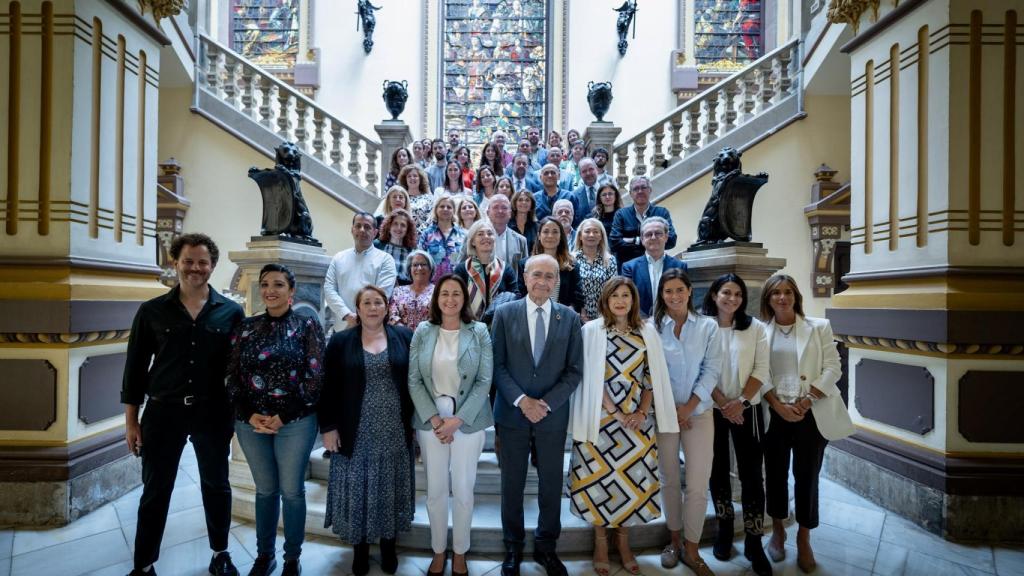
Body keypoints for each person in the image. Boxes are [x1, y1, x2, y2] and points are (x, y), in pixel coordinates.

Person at [121, 233, 245, 576]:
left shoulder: (232, 312)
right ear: (175, 262)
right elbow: (134, 371)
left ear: (212, 266)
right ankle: (143, 564)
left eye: (203, 262)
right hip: (163, 412)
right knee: (156, 490)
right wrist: (132, 422)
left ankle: (220, 554)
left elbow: (238, 371)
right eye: (188, 261)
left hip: (213, 411)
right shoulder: (151, 312)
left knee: (217, 485)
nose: (195, 268)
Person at [568, 277, 677, 576]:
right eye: (614, 295)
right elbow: (589, 376)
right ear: (605, 299)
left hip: (637, 422)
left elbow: (651, 376)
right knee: (599, 482)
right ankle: (601, 542)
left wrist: (641, 412)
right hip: (600, 419)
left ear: (633, 299)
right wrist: (614, 411)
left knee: (631, 482)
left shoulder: (646, 332)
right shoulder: (591, 331)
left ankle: (624, 542)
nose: (620, 300)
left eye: (625, 295)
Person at [226, 264, 325, 576]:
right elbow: (231, 376)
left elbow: (315, 378)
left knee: (292, 491)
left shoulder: (306, 324)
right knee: (265, 491)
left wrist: (283, 416)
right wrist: (248, 413)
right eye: (265, 284)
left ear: (291, 291)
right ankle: (264, 555)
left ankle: (291, 559)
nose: (271, 290)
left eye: (279, 284)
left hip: (294, 423)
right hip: (251, 424)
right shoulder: (245, 327)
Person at [492, 254, 584, 576]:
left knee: (549, 485)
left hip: (552, 417)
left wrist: (544, 404)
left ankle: (546, 547)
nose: (543, 282)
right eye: (537, 275)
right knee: (512, 484)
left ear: (557, 281)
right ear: (526, 277)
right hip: (512, 415)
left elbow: (574, 371)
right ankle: (513, 547)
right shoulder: (504, 314)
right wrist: (522, 401)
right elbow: (497, 365)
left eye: (550, 276)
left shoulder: (570, 319)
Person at [760, 275, 854, 574]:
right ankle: (777, 530)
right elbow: (756, 373)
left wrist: (807, 400)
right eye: (776, 293)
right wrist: (778, 405)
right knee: (774, 474)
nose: (782, 298)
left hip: (811, 414)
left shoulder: (818, 327)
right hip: (775, 414)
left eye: (788, 292)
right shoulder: (760, 332)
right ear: (768, 298)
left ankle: (803, 537)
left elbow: (833, 367)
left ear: (796, 296)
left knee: (807, 475)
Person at [320, 286, 416, 576]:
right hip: (354, 429)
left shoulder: (404, 337)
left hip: (394, 429)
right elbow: (328, 388)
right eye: (367, 303)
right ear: (357, 308)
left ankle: (388, 545)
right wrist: (328, 427)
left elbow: (416, 381)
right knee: (358, 488)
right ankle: (359, 549)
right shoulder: (340, 341)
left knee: (389, 487)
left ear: (387, 307)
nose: (373, 308)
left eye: (378, 302)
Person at [408, 274, 494, 576]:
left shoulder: (480, 331)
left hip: (467, 419)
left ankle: (460, 551)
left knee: (463, 488)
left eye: (456, 293)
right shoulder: (423, 330)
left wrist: (456, 421)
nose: (450, 299)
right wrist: (434, 419)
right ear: (437, 297)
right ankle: (438, 550)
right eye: (444, 293)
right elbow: (414, 379)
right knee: (435, 489)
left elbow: (485, 380)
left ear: (464, 298)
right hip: (430, 417)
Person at [702, 274, 773, 576]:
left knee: (752, 474)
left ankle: (754, 540)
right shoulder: (703, 327)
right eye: (726, 293)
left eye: (738, 295)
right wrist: (722, 403)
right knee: (716, 470)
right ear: (715, 294)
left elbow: (761, 369)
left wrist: (740, 402)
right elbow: (700, 368)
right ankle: (725, 528)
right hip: (713, 408)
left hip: (748, 409)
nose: (732, 299)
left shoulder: (754, 327)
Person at [652, 269, 722, 576]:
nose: (674, 296)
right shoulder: (652, 327)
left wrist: (689, 407)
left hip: (699, 415)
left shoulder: (708, 326)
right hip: (665, 415)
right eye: (668, 291)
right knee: (668, 480)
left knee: (696, 483)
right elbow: (651, 372)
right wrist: (672, 411)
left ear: (690, 291)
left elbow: (712, 370)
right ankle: (674, 540)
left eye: (679, 289)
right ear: (661, 294)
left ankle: (692, 549)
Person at [324, 212, 398, 332]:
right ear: (352, 230)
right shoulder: (339, 258)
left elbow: (382, 295)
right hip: (342, 327)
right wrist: (347, 315)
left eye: (367, 227)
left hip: (370, 330)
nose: (362, 230)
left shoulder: (385, 260)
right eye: (358, 226)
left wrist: (359, 318)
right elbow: (329, 289)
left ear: (375, 232)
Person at [621, 217, 687, 317]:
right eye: (648, 234)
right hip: (640, 324)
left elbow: (684, 297)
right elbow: (627, 298)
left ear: (666, 237)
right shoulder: (629, 267)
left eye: (658, 233)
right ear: (642, 239)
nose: (653, 237)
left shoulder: (679, 266)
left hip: (672, 323)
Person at [454, 220, 518, 322]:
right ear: (473, 241)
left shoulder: (506, 268)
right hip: (469, 327)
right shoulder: (462, 269)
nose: (486, 237)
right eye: (480, 234)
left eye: (490, 233)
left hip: (499, 327)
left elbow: (515, 297)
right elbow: (455, 299)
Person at [610, 176, 677, 269]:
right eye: (636, 189)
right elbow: (614, 243)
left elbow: (671, 240)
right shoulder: (621, 214)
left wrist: (632, 240)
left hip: (656, 267)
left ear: (650, 190)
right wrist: (652, 242)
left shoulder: (662, 213)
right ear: (630, 193)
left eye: (643, 187)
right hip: (628, 269)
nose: (640, 191)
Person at [520, 217, 578, 309]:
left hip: (561, 316)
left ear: (561, 236)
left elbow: (576, 295)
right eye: (546, 232)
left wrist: (571, 309)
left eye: (555, 232)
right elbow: (520, 294)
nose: (550, 236)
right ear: (539, 235)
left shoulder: (571, 265)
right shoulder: (524, 264)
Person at [572, 218, 617, 323]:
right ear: (580, 236)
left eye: (595, 232)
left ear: (601, 236)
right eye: (587, 231)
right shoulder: (571, 259)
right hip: (576, 316)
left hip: (604, 316)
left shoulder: (610, 260)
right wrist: (581, 313)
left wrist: (604, 315)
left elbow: (612, 290)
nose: (591, 235)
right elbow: (570, 291)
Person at [418, 193, 467, 282]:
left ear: (454, 211)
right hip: (432, 285)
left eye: (449, 207)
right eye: (442, 206)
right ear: (436, 209)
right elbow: (420, 260)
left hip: (458, 283)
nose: (445, 209)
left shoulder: (463, 234)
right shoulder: (427, 234)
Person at [389, 250, 435, 329]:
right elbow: (392, 315)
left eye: (423, 264)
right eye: (415, 265)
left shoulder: (438, 292)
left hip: (428, 337)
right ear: (410, 269)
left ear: (430, 268)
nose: (419, 268)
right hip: (401, 337)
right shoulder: (398, 291)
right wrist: (406, 334)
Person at [485, 194, 529, 271]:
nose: (500, 211)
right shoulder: (475, 237)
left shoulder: (521, 240)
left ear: (510, 213)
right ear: (488, 212)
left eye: (504, 208)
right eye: (495, 207)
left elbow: (525, 271)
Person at [375, 208, 418, 285]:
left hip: (402, 293)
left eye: (403, 225)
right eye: (395, 223)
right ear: (389, 226)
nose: (399, 228)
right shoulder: (377, 245)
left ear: (407, 230)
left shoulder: (413, 252)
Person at [398, 164, 435, 232]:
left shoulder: (429, 198)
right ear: (405, 179)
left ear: (420, 179)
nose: (412, 178)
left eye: (415, 176)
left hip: (425, 237)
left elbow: (431, 218)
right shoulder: (401, 198)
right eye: (409, 176)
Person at [569, 158, 601, 226]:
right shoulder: (574, 195)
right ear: (580, 174)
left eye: (591, 169)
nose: (588, 173)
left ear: (597, 170)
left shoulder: (608, 192)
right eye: (584, 171)